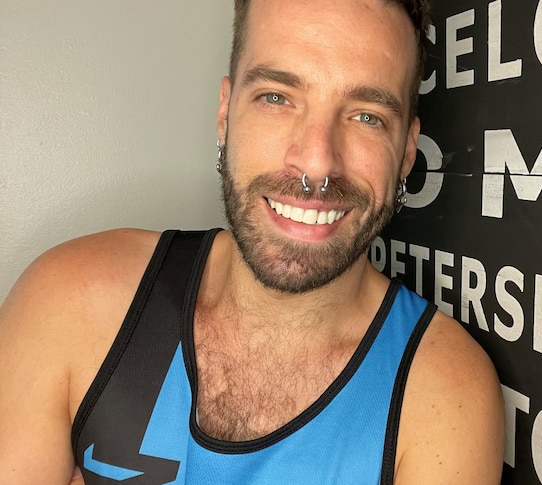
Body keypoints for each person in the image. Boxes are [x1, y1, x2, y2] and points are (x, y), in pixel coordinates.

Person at [0, 0, 505, 483]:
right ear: (225, 112)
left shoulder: (442, 393)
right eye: (277, 98)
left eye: (367, 115)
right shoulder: (68, 299)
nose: (316, 163)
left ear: (408, 150)